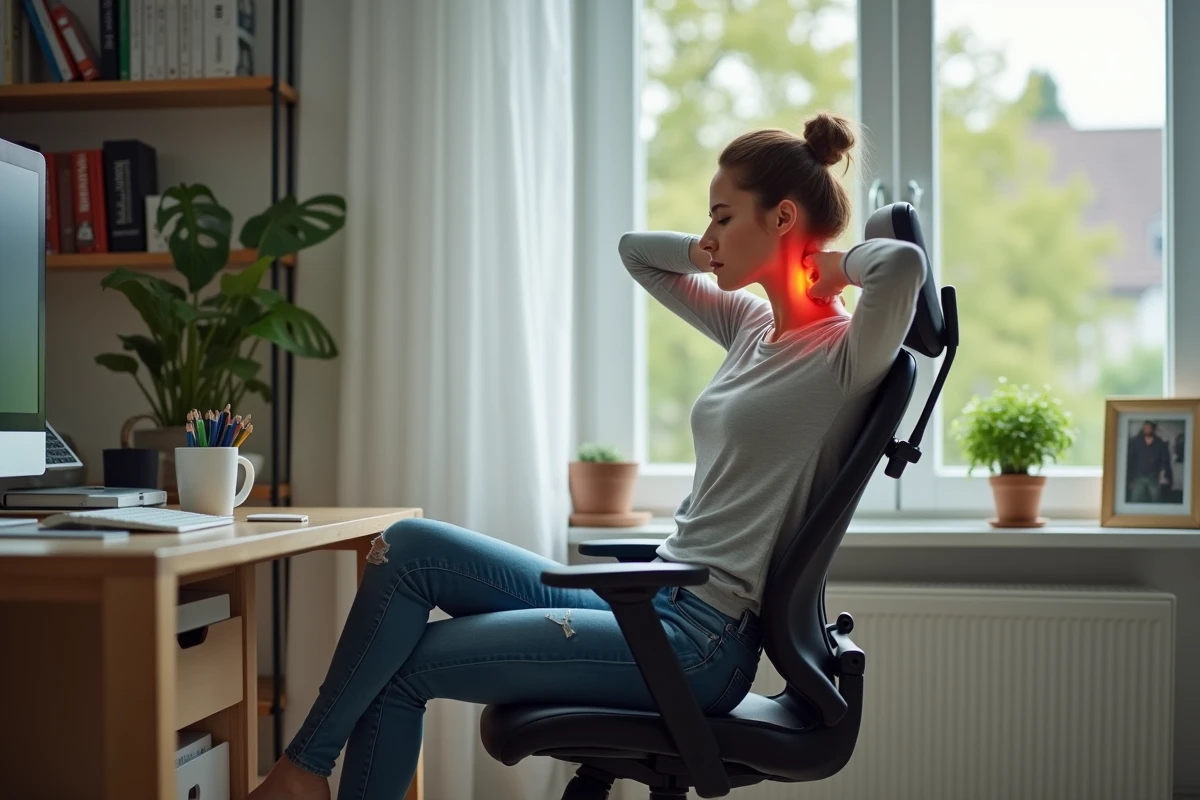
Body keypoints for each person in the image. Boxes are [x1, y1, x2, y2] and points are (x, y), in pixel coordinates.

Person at [249, 112, 926, 800]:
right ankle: (303, 771)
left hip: (700, 643)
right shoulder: (750, 326)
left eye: (724, 218)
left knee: (402, 668)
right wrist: (707, 250)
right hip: (657, 599)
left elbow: (903, 265)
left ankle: (298, 775)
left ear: (782, 218)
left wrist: (831, 266)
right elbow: (637, 251)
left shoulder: (843, 359)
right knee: (408, 546)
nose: (710, 238)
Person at [1127, 420, 1173, 503]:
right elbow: (1131, 460)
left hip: (1154, 477)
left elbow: (1164, 460)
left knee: (1157, 500)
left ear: (1153, 429)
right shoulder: (1136, 442)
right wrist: (1130, 478)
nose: (1147, 429)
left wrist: (1164, 474)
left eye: (1149, 428)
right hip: (1139, 476)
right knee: (1134, 499)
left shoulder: (1160, 443)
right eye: (1145, 428)